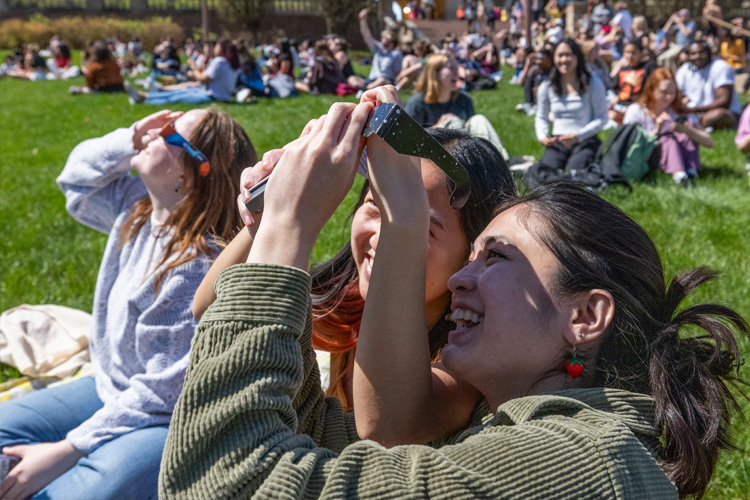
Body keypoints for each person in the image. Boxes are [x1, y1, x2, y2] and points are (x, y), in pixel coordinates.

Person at [158, 98, 748, 499]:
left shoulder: (586, 462)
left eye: (495, 256)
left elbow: (226, 478)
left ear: (586, 316)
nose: (464, 277)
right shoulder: (522, 425)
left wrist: (290, 228)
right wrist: (268, 226)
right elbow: (315, 433)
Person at [191, 89, 515, 416]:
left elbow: (381, 421)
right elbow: (212, 307)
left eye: (417, 225)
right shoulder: (345, 306)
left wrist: (293, 223)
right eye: (375, 206)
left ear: (472, 256)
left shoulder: (465, 362)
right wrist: (267, 215)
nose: (382, 235)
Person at [0, 108, 256, 500]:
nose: (156, 132)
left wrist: (66, 451)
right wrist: (129, 137)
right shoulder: (135, 209)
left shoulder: (194, 268)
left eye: (169, 133)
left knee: (73, 492)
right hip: (113, 389)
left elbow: (165, 391)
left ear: (190, 174)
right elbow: (76, 181)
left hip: (174, 422)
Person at [404, 54, 509, 160]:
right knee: (452, 121)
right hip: (433, 160)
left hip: (466, 155)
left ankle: (501, 164)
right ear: (434, 73)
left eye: (456, 67)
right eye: (450, 68)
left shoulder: (464, 99)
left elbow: (474, 135)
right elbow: (408, 142)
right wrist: (437, 127)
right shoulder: (416, 103)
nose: (456, 71)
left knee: (478, 120)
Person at [623, 67, 714, 185]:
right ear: (651, 90)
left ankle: (690, 172)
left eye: (672, 92)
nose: (669, 97)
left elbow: (710, 142)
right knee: (667, 137)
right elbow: (628, 144)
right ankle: (679, 175)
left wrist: (688, 130)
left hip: (680, 155)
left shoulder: (677, 111)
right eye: (664, 92)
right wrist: (657, 131)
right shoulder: (636, 110)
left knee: (686, 132)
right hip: (646, 158)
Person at [535, 38, 608, 175]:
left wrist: (577, 136)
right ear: (554, 58)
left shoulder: (593, 83)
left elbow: (602, 118)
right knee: (546, 173)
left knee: (574, 172)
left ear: (577, 57)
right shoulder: (547, 86)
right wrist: (543, 135)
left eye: (568, 55)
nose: (564, 60)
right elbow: (541, 116)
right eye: (559, 55)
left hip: (585, 139)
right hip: (558, 141)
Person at [126, 39, 241, 105]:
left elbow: (203, 79)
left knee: (176, 97)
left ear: (223, 49)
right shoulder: (230, 64)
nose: (215, 48)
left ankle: (144, 99)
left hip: (213, 96)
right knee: (177, 93)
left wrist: (193, 67)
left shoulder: (220, 61)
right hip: (218, 95)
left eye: (217, 46)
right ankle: (144, 96)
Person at [675, 40, 742, 130]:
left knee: (719, 114)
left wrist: (695, 110)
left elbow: (724, 102)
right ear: (689, 56)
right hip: (693, 112)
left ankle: (697, 127)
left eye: (701, 53)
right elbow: (677, 93)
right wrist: (683, 101)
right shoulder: (684, 69)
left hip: (722, 112)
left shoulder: (720, 67)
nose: (697, 56)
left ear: (708, 53)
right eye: (693, 53)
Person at [358, 8, 404, 90]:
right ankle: (364, 88)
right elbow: (367, 36)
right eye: (383, 37)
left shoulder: (396, 54)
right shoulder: (378, 48)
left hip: (386, 81)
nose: (383, 40)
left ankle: (364, 90)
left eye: (386, 39)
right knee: (352, 78)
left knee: (381, 80)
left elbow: (398, 73)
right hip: (371, 80)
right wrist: (362, 20)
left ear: (392, 43)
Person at [609, 40, 654, 122]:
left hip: (638, 106)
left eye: (633, 53)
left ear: (640, 53)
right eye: (627, 52)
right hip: (621, 105)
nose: (630, 56)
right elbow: (615, 90)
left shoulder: (648, 67)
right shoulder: (622, 69)